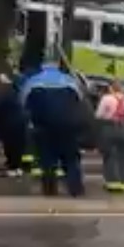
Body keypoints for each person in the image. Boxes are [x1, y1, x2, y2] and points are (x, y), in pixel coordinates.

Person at [19, 62, 87, 197]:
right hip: (67, 126)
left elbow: (22, 101)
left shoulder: (33, 81)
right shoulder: (69, 81)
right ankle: (76, 189)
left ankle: (50, 190)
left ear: (42, 68)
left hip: (43, 126)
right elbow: (80, 99)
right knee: (70, 158)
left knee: (47, 159)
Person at [0, 73, 32, 177]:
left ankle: (14, 168)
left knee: (12, 147)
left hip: (10, 123)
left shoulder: (6, 92)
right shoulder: (16, 91)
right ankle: (15, 167)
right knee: (15, 147)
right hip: (17, 122)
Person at [95, 80, 124, 192]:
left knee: (109, 155)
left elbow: (99, 115)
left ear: (111, 88)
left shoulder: (106, 98)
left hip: (109, 128)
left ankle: (112, 182)